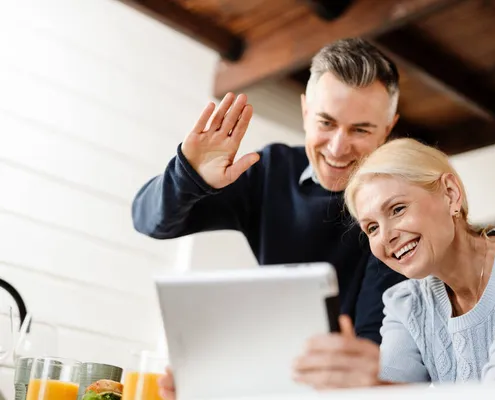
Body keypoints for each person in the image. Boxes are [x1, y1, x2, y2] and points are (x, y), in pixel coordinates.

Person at [131, 38, 408, 400]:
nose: (338, 148)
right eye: (326, 122)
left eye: (361, 129)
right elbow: (150, 220)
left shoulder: (400, 207)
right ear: (306, 112)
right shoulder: (271, 172)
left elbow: (378, 341)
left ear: (387, 128)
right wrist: (190, 176)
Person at [292, 138, 495, 388]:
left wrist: (377, 387)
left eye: (397, 209)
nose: (385, 236)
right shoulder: (406, 304)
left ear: (450, 194)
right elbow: (390, 386)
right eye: (371, 227)